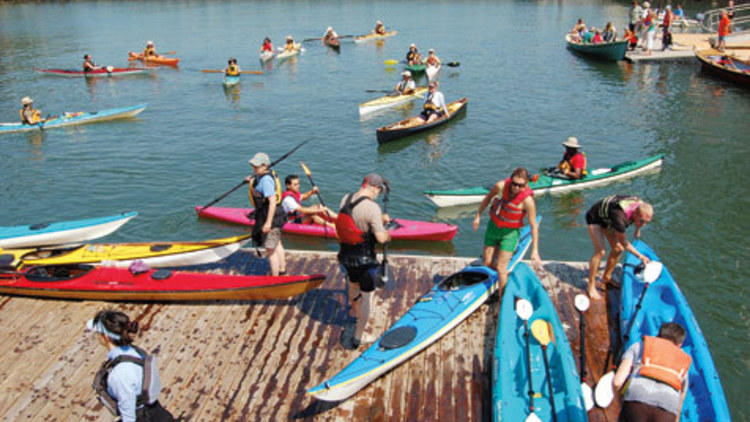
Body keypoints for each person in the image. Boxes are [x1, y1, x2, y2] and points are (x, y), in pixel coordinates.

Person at [87, 310, 174, 422]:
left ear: (106, 337)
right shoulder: (135, 351)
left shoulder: (120, 374)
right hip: (156, 412)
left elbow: (129, 416)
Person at [336, 173, 391, 349]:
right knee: (367, 296)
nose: (378, 195)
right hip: (365, 261)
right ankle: (359, 335)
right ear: (373, 187)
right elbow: (381, 238)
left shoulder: (345, 199)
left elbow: (356, 221)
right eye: (378, 191)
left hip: (345, 256)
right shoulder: (373, 208)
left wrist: (378, 220)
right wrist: (387, 231)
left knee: (352, 285)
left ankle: (357, 315)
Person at [472, 168, 542, 294]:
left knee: (500, 268)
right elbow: (488, 198)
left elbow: (533, 225)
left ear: (526, 185)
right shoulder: (500, 186)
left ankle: (502, 298)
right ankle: (492, 284)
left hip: (510, 233)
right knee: (486, 263)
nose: (516, 188)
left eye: (520, 186)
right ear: (510, 180)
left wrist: (535, 250)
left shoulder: (528, 201)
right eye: (514, 184)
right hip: (493, 228)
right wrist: (478, 215)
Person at [613, 322, 691, 422]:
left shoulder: (639, 346)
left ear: (658, 335)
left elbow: (617, 382)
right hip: (667, 411)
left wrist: (621, 398)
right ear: (679, 345)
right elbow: (679, 404)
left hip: (636, 403)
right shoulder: (683, 362)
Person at [584, 195, 653, 300]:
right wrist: (641, 256)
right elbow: (624, 243)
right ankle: (591, 287)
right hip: (595, 218)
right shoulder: (620, 218)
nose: (643, 224)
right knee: (601, 251)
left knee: (618, 249)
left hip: (608, 219)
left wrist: (637, 229)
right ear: (635, 213)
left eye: (646, 223)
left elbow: (640, 218)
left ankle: (606, 278)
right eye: (642, 221)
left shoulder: (639, 205)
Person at [245, 152, 287, 276]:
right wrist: (251, 182)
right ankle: (282, 270)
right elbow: (259, 188)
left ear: (265, 166)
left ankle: (275, 278)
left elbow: (272, 201)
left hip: (271, 217)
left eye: (256, 166)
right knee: (277, 243)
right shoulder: (261, 176)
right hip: (275, 215)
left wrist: (268, 223)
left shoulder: (267, 180)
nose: (254, 168)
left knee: (270, 249)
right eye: (253, 166)